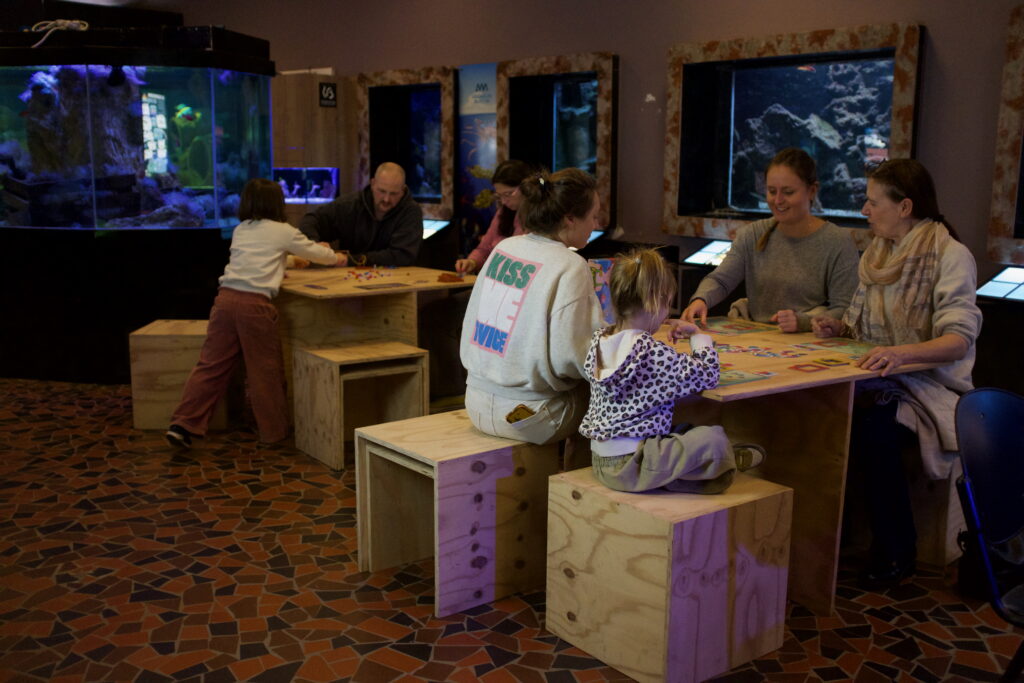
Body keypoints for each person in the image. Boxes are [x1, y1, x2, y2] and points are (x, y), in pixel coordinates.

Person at [810, 158, 982, 588]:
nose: (865, 211)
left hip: (931, 387)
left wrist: (901, 356)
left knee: (875, 431)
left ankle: (897, 549)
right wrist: (839, 327)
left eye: (872, 202)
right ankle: (826, 540)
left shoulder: (950, 255)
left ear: (904, 206)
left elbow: (958, 340)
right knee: (820, 414)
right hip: (883, 375)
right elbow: (862, 323)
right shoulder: (878, 253)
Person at [166, 178, 343, 449]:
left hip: (224, 303)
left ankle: (183, 424)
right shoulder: (283, 230)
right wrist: (338, 257)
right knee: (265, 373)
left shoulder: (241, 230)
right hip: (255, 308)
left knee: (210, 367)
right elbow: (318, 253)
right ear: (278, 204)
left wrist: (291, 260)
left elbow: (262, 256)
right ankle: (274, 434)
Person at [579, 248, 765, 494]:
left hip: (602, 460)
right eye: (667, 304)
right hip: (632, 463)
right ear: (654, 301)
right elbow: (708, 374)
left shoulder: (599, 340)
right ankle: (721, 463)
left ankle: (698, 468)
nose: (667, 313)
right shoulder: (650, 351)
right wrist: (697, 336)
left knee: (683, 430)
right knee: (714, 439)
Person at [460, 167, 605, 445]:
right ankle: (575, 484)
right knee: (611, 393)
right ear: (570, 218)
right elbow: (576, 359)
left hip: (475, 403)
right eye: (593, 216)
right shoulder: (570, 265)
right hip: (529, 416)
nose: (595, 224)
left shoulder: (505, 248)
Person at [682, 147, 860, 332]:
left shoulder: (838, 241)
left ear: (812, 191)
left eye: (788, 192)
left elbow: (845, 309)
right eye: (772, 191)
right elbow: (721, 280)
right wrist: (701, 299)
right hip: (757, 340)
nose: (778, 200)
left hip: (812, 345)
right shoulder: (752, 234)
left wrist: (803, 322)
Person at [298, 161, 423, 266]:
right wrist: (315, 245)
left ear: (403, 190)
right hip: (349, 279)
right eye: (382, 191)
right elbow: (311, 220)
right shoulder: (350, 204)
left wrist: (351, 260)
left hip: (397, 279)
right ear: (373, 184)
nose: (386, 199)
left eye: (393, 194)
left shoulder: (411, 212)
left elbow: (402, 255)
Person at [455, 159, 532, 275]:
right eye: (499, 196)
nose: (504, 201)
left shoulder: (540, 216)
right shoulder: (504, 212)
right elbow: (484, 248)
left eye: (508, 194)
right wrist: (471, 262)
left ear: (527, 187)